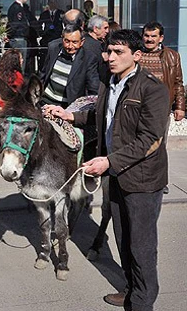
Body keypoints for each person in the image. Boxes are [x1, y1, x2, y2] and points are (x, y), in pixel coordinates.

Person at [48, 29, 169, 311]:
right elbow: (102, 115)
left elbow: (150, 140)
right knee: (123, 240)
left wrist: (108, 162)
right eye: (109, 51)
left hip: (142, 179)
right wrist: (70, 115)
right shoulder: (109, 81)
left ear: (136, 56)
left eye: (118, 53)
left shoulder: (152, 89)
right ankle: (131, 289)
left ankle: (142, 303)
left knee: (141, 246)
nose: (110, 57)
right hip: (116, 175)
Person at [139, 21, 185, 195]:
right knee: (137, 144)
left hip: (160, 109)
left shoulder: (173, 56)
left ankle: (159, 182)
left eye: (153, 36)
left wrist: (180, 106)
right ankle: (139, 180)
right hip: (137, 108)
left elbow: (178, 83)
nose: (149, 40)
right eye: (147, 36)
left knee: (159, 146)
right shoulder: (136, 54)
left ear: (161, 38)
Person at [40, 24, 100, 107]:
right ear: (62, 39)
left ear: (82, 42)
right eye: (67, 41)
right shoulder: (53, 48)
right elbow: (43, 73)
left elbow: (93, 88)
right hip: (46, 102)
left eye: (75, 42)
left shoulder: (89, 59)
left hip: (68, 107)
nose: (70, 46)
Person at [6, 0, 36, 74]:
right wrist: (10, 35)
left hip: (20, 38)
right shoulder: (16, 8)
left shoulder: (20, 8)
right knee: (19, 63)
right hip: (18, 38)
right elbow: (15, 24)